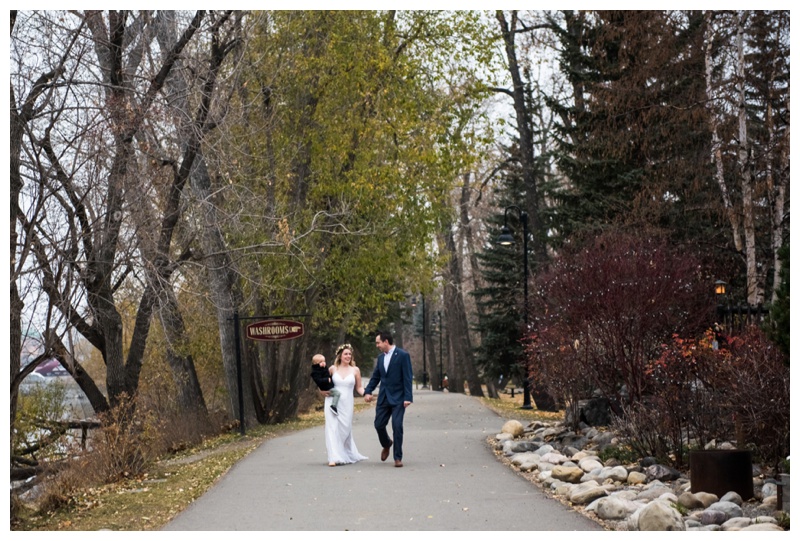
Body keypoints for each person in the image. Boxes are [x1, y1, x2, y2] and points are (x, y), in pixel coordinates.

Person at [364, 330, 413, 468]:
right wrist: (368, 391)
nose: (377, 345)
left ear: (386, 341)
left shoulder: (403, 355)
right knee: (378, 424)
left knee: (397, 427)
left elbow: (407, 377)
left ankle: (398, 458)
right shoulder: (380, 358)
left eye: (378, 342)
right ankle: (387, 444)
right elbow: (376, 377)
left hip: (399, 398)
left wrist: (408, 397)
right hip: (384, 397)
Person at [322, 343, 367, 467]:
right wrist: (322, 391)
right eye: (345, 354)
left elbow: (359, 388)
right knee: (331, 428)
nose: (348, 356)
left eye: (350, 354)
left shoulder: (355, 370)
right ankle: (333, 457)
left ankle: (343, 452)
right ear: (340, 355)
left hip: (347, 403)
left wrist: (366, 394)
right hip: (332, 402)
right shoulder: (332, 369)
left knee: (344, 429)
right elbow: (323, 383)